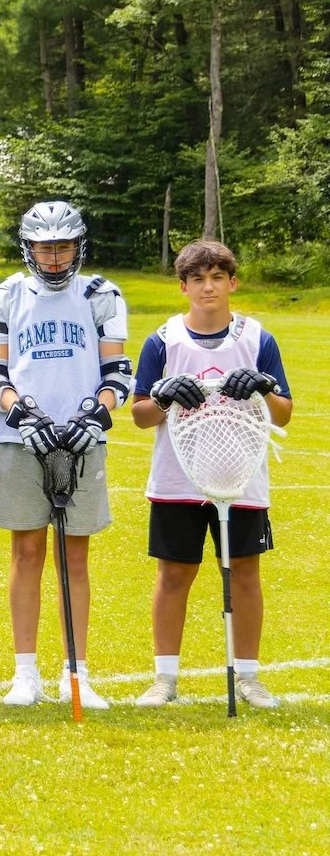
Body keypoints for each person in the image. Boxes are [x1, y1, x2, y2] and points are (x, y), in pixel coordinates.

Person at [131, 239, 293, 709]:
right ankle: (165, 679)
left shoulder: (257, 338)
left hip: (240, 476)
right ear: (183, 287)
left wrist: (264, 388)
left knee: (244, 572)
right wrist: (163, 396)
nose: (208, 287)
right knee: (174, 575)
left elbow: (283, 414)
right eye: (198, 279)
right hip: (178, 478)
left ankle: (249, 677)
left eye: (217, 277)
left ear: (232, 283)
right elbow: (141, 414)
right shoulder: (162, 341)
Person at [0, 200, 129, 710]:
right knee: (26, 555)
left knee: (75, 558)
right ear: (29, 248)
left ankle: (77, 670)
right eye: (44, 247)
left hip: (84, 437)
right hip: (20, 438)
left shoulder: (101, 293)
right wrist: (23, 417)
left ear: (78, 245)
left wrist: (96, 417)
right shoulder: (7, 294)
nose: (53, 257)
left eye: (63, 245)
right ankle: (26, 673)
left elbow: (119, 375)